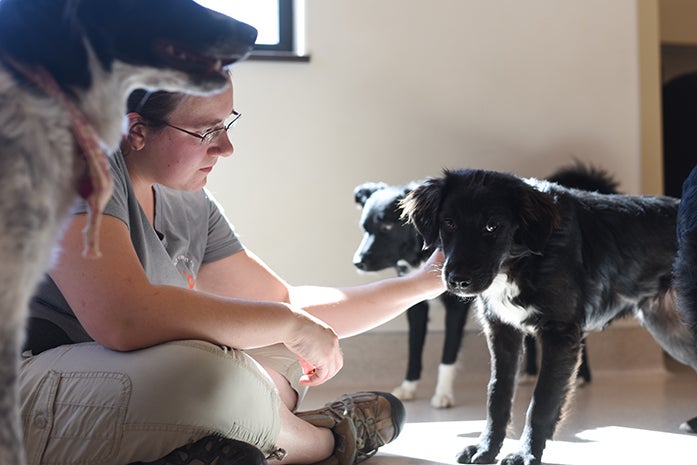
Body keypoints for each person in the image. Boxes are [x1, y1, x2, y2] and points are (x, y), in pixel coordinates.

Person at [18, 74, 446, 465]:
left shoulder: (190, 201)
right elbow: (123, 318)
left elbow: (282, 303)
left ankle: (218, 444)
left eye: (228, 124)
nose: (225, 147)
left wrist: (421, 283)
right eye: (206, 130)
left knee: (273, 349)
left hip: (144, 386)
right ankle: (329, 439)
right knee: (211, 372)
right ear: (136, 131)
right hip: (28, 382)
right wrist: (287, 325)